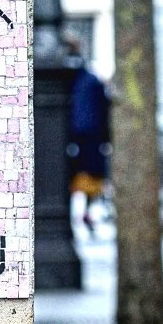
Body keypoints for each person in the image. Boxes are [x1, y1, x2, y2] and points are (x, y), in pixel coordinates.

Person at [64, 35, 110, 233]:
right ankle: (87, 212)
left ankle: (78, 213)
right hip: (92, 135)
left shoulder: (69, 80)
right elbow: (103, 108)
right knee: (92, 174)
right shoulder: (92, 79)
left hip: (72, 134)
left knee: (70, 174)